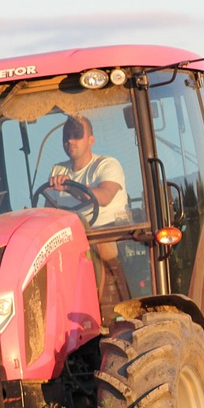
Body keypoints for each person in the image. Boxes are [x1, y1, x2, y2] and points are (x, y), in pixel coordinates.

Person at [48, 114, 131, 307]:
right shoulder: (57, 171)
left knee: (99, 248)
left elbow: (103, 196)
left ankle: (115, 303)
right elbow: (50, 210)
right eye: (66, 135)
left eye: (77, 134)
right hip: (71, 240)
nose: (70, 140)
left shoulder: (107, 165)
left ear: (91, 140)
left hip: (108, 233)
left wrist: (69, 187)